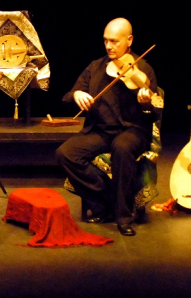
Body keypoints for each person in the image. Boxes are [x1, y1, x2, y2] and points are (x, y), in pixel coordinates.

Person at [55, 18, 160, 236]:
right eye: (105, 41)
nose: (109, 46)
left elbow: (154, 113)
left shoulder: (143, 69)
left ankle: (123, 217)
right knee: (65, 153)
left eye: (114, 41)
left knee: (122, 147)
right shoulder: (96, 67)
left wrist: (147, 104)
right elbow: (68, 95)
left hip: (133, 131)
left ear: (129, 40)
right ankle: (107, 198)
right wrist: (78, 94)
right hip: (101, 131)